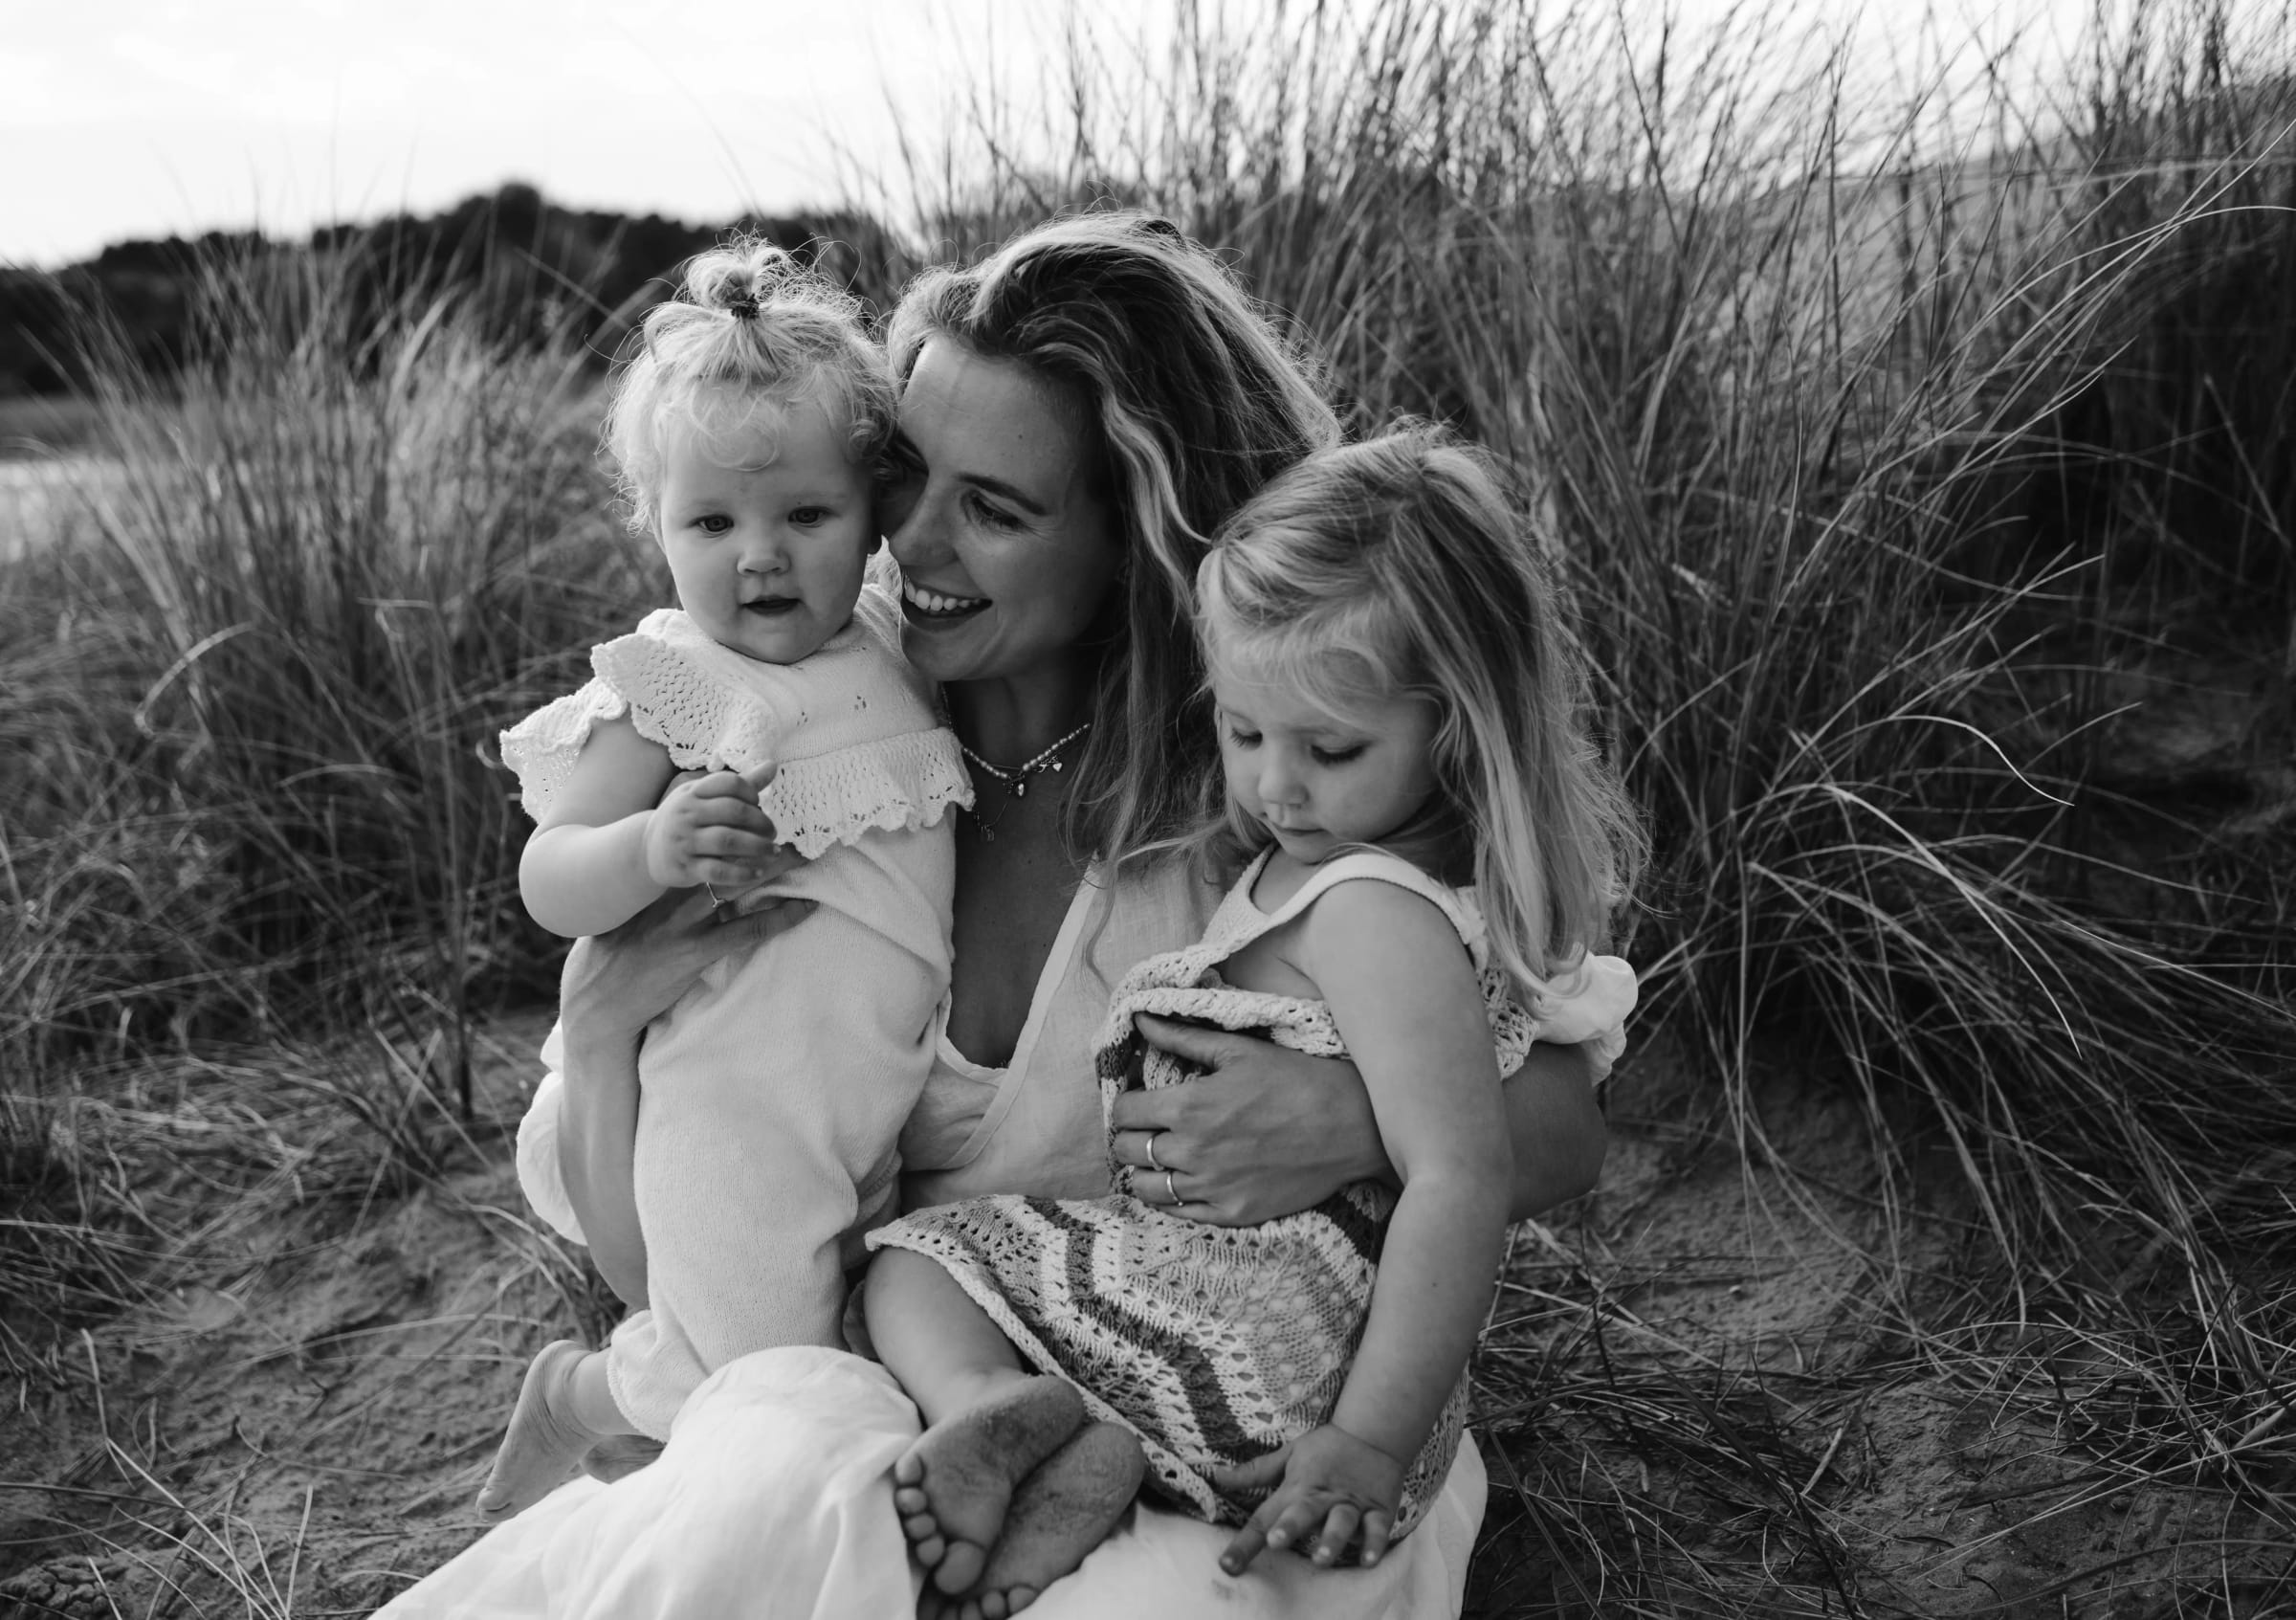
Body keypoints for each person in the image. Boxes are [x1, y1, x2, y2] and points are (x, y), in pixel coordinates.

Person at [377, 213, 1620, 1620]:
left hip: (1224, 1421)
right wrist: (599, 1035)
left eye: (996, 506)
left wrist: (1347, 1121)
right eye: (902, 475)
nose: (909, 538)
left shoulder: (1284, 771)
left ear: (1137, 533)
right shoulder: (817, 731)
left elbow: (1568, 1109)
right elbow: (665, 1266)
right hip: (905, 1392)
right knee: (768, 1475)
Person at [863, 429, 1642, 1619]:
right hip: (1248, 1332)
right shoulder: (1334, 864)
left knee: (917, 1268)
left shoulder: (1371, 907)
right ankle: (1083, 1455)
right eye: (1243, 733)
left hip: (1260, 1313)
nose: (1277, 786)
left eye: (1330, 749)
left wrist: (1372, 1443)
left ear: (1454, 724)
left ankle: (986, 1398)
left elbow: (1457, 1173)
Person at [480, 241, 971, 1520]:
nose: (759, 557)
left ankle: (647, 1455)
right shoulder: (680, 685)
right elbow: (547, 873)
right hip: (728, 1094)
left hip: (868, 1085)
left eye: (803, 516)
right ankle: (584, 1400)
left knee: (846, 1337)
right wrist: (647, 847)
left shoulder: (887, 641)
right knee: (747, 1361)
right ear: (656, 527)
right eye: (712, 523)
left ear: (870, 512)